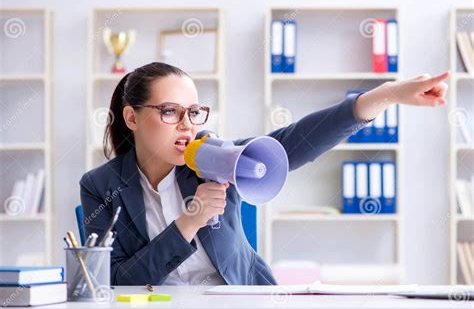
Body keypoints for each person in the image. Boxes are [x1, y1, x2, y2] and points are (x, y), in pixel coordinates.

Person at [80, 62, 448, 286]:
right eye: (170, 112)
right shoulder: (101, 186)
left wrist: (386, 95)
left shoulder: (211, 156)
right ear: (132, 118)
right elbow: (113, 282)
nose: (187, 126)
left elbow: (295, 143)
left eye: (194, 112)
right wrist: (189, 222)